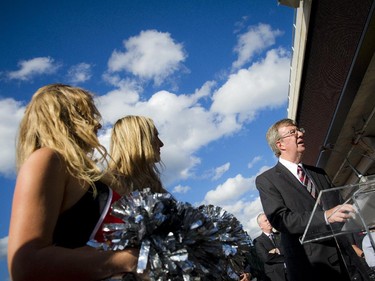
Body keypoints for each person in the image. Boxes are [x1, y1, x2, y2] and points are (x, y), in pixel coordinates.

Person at [8, 84, 139, 281]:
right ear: (63, 119)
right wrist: (128, 260)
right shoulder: (47, 159)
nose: (97, 124)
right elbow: (25, 265)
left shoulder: (82, 173)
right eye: (87, 115)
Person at [255, 118, 353, 281]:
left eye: (299, 130)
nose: (300, 133)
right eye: (293, 132)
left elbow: (338, 207)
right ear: (280, 145)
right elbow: (281, 219)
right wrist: (325, 216)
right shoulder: (267, 180)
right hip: (312, 268)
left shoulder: (319, 173)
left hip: (347, 260)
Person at [109, 115, 166, 195]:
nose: (161, 144)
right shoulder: (107, 189)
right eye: (155, 136)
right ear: (137, 140)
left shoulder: (155, 186)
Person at [253, 213, 287, 281]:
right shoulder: (258, 241)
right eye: (266, 221)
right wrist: (285, 256)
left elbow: (288, 249)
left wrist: (277, 251)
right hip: (275, 275)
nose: (269, 222)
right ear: (260, 226)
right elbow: (266, 257)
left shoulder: (281, 234)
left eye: (268, 219)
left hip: (291, 270)